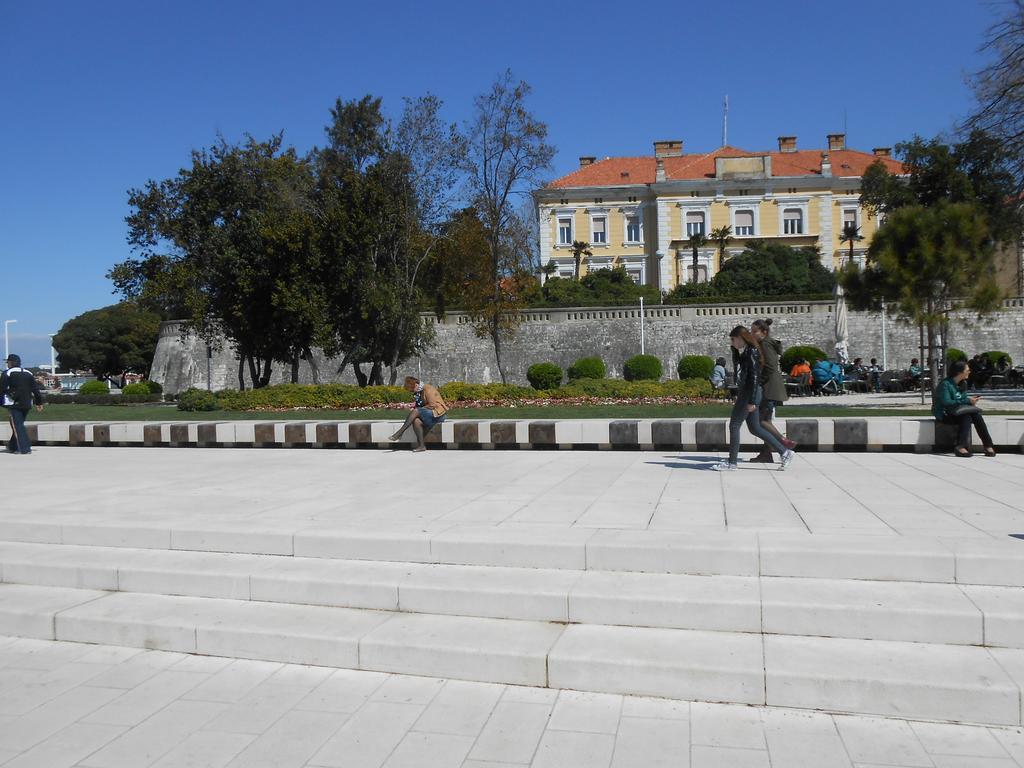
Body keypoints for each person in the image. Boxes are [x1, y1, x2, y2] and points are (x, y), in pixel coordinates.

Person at [713, 326, 795, 472]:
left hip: (749, 393)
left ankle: (732, 463)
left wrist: (751, 401)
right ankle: (785, 452)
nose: (732, 342)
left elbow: (754, 377)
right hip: (750, 392)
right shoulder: (748, 350)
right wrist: (734, 351)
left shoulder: (751, 351)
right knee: (755, 428)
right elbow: (740, 366)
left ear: (740, 337)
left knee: (734, 425)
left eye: (733, 339)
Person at [748, 319, 797, 463]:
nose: (752, 334)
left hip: (768, 387)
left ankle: (783, 442)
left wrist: (758, 381)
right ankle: (766, 453)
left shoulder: (765, 344)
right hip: (771, 386)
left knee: (761, 421)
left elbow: (769, 366)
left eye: (754, 332)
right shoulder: (766, 343)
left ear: (764, 332)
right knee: (764, 420)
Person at [932, 360, 996, 458]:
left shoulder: (963, 384)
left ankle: (987, 445)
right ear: (959, 372)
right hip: (945, 413)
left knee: (976, 415)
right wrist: (967, 401)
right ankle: (961, 446)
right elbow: (947, 403)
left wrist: (969, 401)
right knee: (966, 417)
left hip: (958, 411)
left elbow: (962, 399)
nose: (969, 372)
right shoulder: (945, 384)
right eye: (967, 370)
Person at [389, 376, 449, 452]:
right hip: (431, 413)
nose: (413, 392)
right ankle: (421, 446)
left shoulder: (428, 389)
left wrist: (418, 410)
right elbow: (420, 404)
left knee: (416, 411)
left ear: (416, 384)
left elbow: (432, 405)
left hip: (439, 414)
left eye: (412, 389)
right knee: (416, 421)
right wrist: (411, 406)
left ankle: (400, 433)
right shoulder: (419, 391)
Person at [1, 354, 45, 454]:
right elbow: (35, 389)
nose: (7, 364)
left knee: (17, 426)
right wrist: (39, 402)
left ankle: (24, 448)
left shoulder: (7, 373)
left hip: (13, 403)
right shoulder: (28, 373)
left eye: (8, 362)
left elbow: (2, 389)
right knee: (18, 425)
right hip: (27, 403)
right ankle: (13, 446)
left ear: (11, 363)